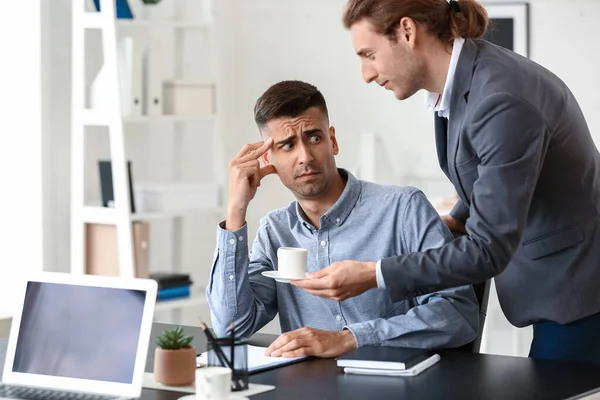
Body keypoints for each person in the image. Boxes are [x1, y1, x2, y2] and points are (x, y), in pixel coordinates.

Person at [291, 0, 600, 363]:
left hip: (579, 292)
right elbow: (494, 175)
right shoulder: (466, 83)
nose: (366, 73)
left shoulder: (501, 98)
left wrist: (374, 274)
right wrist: (453, 220)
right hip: (560, 284)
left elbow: (488, 249)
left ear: (407, 31)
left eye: (369, 54)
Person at [207, 80, 479, 358]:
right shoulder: (274, 231)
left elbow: (458, 313)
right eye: (287, 145)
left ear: (333, 141)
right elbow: (231, 328)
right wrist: (236, 210)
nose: (305, 156)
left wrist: (351, 339)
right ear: (268, 162)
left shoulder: (403, 209)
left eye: (314, 137)